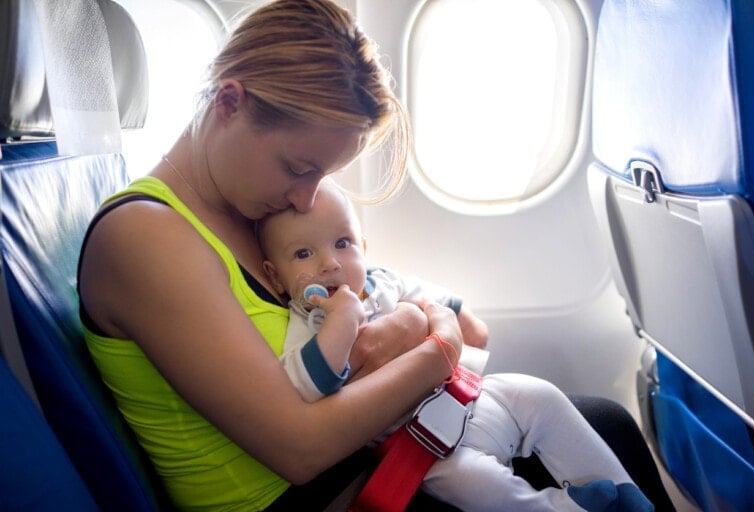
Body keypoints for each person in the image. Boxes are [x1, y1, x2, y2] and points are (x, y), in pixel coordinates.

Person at [77, 1, 674, 510]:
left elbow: (416, 308)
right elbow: (300, 449)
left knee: (596, 417)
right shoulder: (145, 239)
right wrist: (438, 348)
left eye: (324, 176)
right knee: (604, 430)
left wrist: (426, 320)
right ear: (229, 103)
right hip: (320, 493)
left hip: (372, 456)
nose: (307, 198)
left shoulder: (251, 206)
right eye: (297, 167)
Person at [258, 181, 655, 512]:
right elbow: (306, 386)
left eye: (343, 243)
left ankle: (625, 493)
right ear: (276, 277)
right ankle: (565, 506)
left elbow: (443, 304)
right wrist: (342, 322)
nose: (330, 263)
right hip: (419, 444)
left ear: (363, 246)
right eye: (304, 253)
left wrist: (444, 315)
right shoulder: (305, 324)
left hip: (469, 394)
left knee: (538, 394)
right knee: (476, 485)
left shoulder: (383, 282)